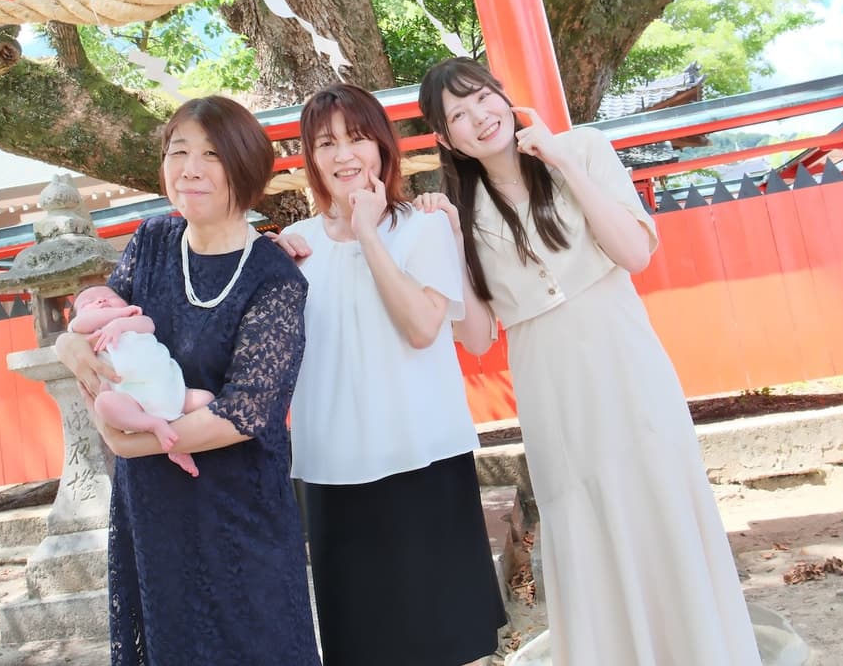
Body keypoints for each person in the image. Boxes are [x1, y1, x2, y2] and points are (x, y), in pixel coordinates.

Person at [417, 58, 761, 666]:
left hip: (624, 359)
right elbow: (475, 336)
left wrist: (563, 162)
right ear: (447, 140)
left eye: (482, 99)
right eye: (459, 117)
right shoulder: (461, 211)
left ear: (504, 95)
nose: (479, 119)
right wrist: (446, 247)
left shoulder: (583, 147)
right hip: (550, 383)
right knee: (585, 519)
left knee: (658, 498)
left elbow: (633, 252)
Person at [53, 95, 319, 666]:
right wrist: (70, 347)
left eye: (211, 155)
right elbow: (100, 319)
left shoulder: (275, 278)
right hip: (154, 511)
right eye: (179, 152)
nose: (190, 168)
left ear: (244, 167)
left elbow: (248, 412)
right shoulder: (150, 242)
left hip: (238, 513)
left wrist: (134, 441)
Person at [273, 83, 507, 666]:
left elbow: (423, 327)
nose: (344, 154)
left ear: (382, 147)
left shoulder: (421, 228)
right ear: (311, 157)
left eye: (357, 137)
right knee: (362, 644)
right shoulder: (294, 248)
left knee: (449, 640)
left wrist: (369, 232)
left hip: (423, 456)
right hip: (334, 468)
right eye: (326, 142)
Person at [67, 284, 215, 477]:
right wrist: (111, 319)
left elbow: (148, 325)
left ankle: (178, 443)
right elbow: (79, 325)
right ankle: (153, 425)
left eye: (108, 296)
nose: (101, 300)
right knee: (104, 404)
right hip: (132, 399)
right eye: (89, 302)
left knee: (207, 400)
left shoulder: (136, 321)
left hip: (171, 389)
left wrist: (120, 321)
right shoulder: (88, 336)